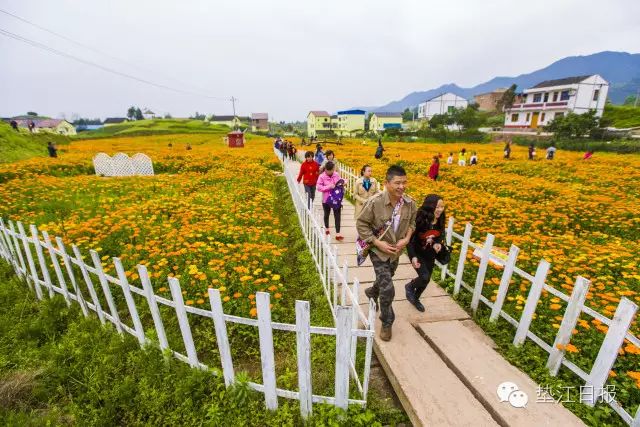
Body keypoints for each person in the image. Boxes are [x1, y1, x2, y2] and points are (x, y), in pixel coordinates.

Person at [356, 165, 417, 341]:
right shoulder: (375, 203)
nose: (402, 186)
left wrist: (406, 239)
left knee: (386, 279)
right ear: (386, 183)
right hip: (378, 251)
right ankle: (387, 321)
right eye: (397, 183)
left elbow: (413, 223)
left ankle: (372, 292)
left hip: (396, 252)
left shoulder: (410, 204)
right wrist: (377, 243)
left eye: (404, 182)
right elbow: (361, 225)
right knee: (388, 288)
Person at [405, 195, 445, 312]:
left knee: (426, 280)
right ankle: (410, 286)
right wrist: (413, 257)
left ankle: (415, 299)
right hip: (417, 253)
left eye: (442, 207)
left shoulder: (440, 219)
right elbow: (409, 240)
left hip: (430, 254)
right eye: (437, 207)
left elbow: (440, 234)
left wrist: (437, 244)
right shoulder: (420, 219)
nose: (440, 210)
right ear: (429, 206)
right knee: (424, 276)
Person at [316, 162, 344, 241]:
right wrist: (329, 187)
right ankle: (327, 228)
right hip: (326, 199)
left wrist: (342, 183)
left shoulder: (336, 174)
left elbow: (339, 183)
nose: (333, 171)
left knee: (337, 215)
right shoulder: (322, 176)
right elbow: (318, 187)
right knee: (326, 214)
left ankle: (338, 234)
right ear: (327, 170)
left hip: (336, 198)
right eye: (332, 170)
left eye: (333, 169)